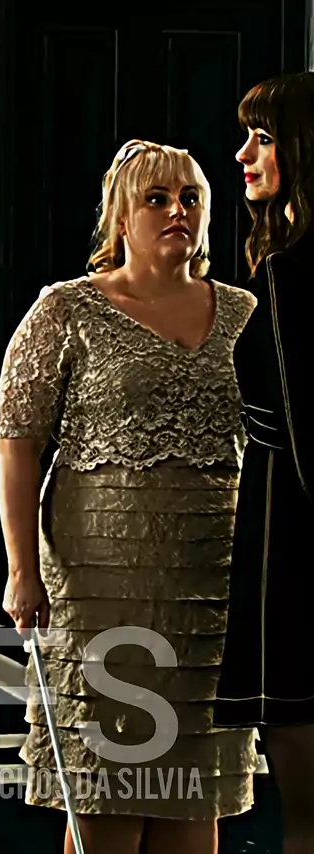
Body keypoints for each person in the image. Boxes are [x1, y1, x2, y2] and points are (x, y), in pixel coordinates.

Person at [0, 139, 258, 854]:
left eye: (191, 198)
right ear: (120, 215)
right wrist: (21, 569)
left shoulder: (244, 313)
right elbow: (17, 443)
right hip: (99, 579)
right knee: (106, 786)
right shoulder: (66, 309)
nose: (178, 211)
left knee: (193, 789)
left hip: (211, 580)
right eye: (157, 199)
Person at [213, 72, 314, 854]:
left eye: (263, 138)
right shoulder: (280, 261)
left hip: (295, 542)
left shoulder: (292, 271)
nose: (244, 155)